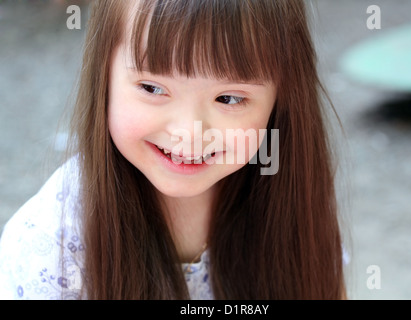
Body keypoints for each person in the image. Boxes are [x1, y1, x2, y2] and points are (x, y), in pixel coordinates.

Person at [0, 0, 347, 299]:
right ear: (103, 77)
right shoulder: (51, 242)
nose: (188, 134)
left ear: (282, 99)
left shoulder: (292, 197)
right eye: (152, 88)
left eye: (228, 98)